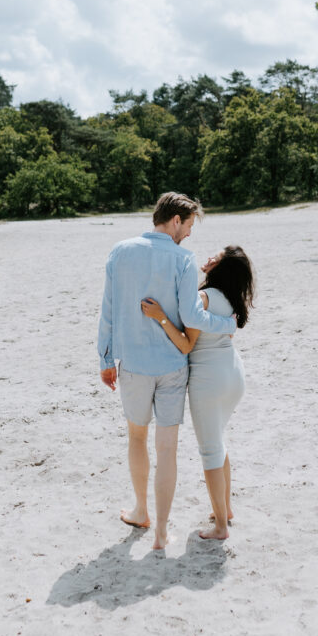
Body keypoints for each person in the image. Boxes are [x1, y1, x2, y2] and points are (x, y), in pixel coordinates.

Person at [97, 192, 237, 551]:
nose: (189, 234)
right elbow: (191, 318)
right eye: (189, 226)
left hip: (134, 366)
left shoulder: (120, 251)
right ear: (176, 220)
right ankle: (160, 533)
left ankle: (141, 510)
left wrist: (105, 359)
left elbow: (108, 309)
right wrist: (226, 323)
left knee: (137, 438)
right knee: (168, 450)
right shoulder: (183, 260)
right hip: (173, 366)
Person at [141, 245, 254, 541]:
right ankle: (225, 510)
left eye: (214, 257)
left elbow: (186, 344)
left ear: (222, 267)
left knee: (210, 451)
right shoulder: (230, 298)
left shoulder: (203, 298)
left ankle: (220, 527)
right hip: (233, 374)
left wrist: (160, 317)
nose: (208, 259)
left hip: (210, 379)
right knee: (219, 443)